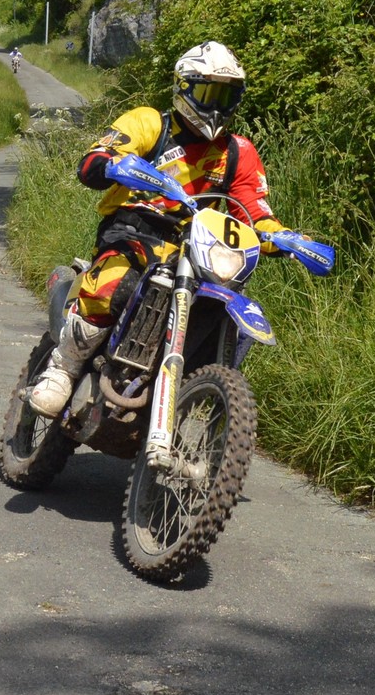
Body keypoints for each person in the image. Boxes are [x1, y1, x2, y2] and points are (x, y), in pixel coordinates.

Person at [29, 40, 293, 419]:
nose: (217, 104)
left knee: (222, 311)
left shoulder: (238, 151)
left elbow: (253, 209)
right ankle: (64, 367)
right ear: (183, 88)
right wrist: (110, 164)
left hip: (198, 248)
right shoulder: (150, 123)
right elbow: (97, 158)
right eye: (208, 92)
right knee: (114, 285)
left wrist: (283, 237)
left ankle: (197, 396)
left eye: (227, 94)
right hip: (134, 229)